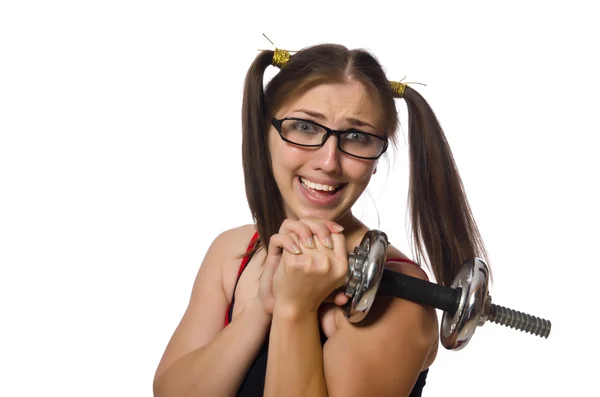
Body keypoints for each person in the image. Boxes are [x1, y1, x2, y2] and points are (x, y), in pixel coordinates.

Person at [152, 43, 489, 397]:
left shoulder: (399, 300)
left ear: (377, 156)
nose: (328, 161)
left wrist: (295, 308)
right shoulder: (232, 253)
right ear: (265, 132)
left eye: (357, 137)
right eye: (304, 127)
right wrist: (260, 311)